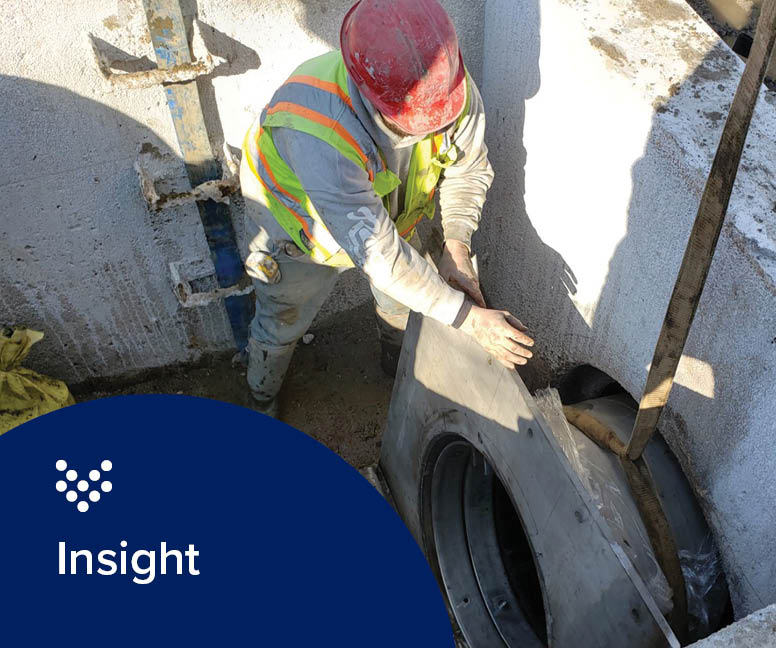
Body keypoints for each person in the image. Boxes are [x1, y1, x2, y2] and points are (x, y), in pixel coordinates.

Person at [239, 0, 534, 416]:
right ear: (371, 98)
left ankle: (395, 371)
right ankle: (261, 398)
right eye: (420, 124)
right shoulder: (318, 130)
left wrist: (456, 247)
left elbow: (467, 167)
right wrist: (468, 319)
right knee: (282, 322)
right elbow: (382, 257)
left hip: (391, 223)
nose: (438, 128)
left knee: (402, 302)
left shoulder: (447, 89)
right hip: (300, 236)